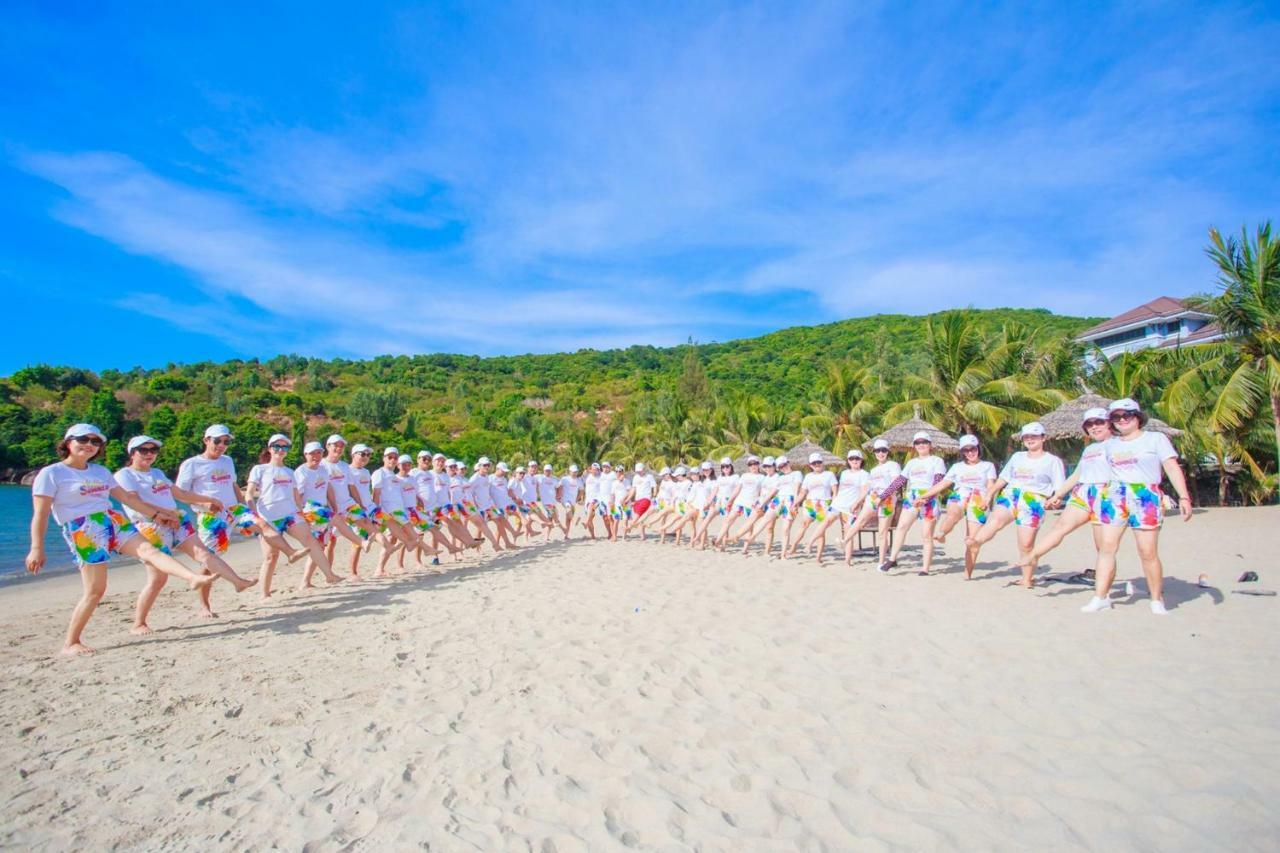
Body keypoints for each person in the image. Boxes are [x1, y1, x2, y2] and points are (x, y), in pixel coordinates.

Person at [26, 424, 217, 655]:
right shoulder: (52, 473)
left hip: (111, 519)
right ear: (68, 442)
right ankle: (71, 642)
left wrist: (156, 515)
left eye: (95, 442)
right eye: (83, 439)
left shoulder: (100, 472)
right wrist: (37, 548)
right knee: (96, 590)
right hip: (83, 528)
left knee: (151, 551)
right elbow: (41, 514)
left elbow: (126, 498)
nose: (89, 445)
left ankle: (192, 578)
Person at [114, 434, 257, 630]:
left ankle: (237, 581)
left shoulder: (156, 473)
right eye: (143, 450)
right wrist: (161, 514)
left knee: (204, 553)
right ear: (132, 453)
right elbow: (134, 502)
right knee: (158, 579)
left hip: (177, 519)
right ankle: (139, 623)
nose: (149, 454)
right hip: (151, 525)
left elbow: (180, 494)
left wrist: (206, 499)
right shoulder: (125, 475)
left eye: (153, 451)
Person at [1079, 398, 1193, 615]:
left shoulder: (1155, 439)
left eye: (1126, 415)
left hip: (1145, 495)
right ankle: (1100, 597)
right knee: (1106, 548)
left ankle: (1156, 599)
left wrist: (1184, 497)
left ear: (1138, 417)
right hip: (1114, 494)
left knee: (1147, 551)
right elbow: (1090, 467)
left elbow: (1170, 466)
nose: (1121, 420)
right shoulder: (1110, 444)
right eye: (1115, 417)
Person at [1015, 409, 1120, 587]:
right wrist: (1058, 495)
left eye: (1099, 422)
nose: (1094, 427)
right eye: (1089, 424)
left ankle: (1103, 590)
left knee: (1103, 547)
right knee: (1060, 527)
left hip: (1106, 493)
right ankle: (1031, 556)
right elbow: (1077, 474)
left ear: (1109, 423)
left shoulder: (1120, 444)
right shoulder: (1090, 449)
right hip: (1084, 492)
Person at [177, 423, 306, 563]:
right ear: (206, 440)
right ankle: (201, 582)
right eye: (217, 441)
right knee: (212, 560)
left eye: (226, 442)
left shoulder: (227, 461)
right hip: (211, 515)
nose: (222, 445)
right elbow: (180, 494)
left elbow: (233, 485)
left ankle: (290, 552)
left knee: (263, 524)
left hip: (235, 509)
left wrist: (245, 506)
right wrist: (204, 503)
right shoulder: (191, 464)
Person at [247, 435, 344, 596]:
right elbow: (249, 494)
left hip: (290, 514)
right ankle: (265, 594)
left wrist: (302, 514)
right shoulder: (259, 469)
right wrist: (254, 515)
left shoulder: (290, 472)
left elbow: (296, 496)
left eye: (284, 447)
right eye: (277, 446)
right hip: (268, 517)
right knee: (271, 556)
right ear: (270, 448)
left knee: (311, 541)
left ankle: (329, 575)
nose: (280, 450)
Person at [967, 422, 1066, 578]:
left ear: (1043, 438)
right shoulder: (1017, 457)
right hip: (1011, 494)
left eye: (1034, 436)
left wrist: (1056, 498)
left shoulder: (1052, 461)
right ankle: (975, 542)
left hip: (1034, 498)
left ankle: (1027, 579)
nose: (1030, 439)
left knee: (1025, 545)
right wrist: (989, 495)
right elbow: (1003, 479)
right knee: (996, 520)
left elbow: (1059, 487)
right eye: (1026, 437)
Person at [915, 434, 995, 579]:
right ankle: (942, 534)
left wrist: (988, 500)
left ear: (978, 449)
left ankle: (967, 573)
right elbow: (943, 484)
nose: (970, 453)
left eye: (973, 449)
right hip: (960, 494)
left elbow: (991, 485)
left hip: (979, 498)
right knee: (953, 514)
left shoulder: (987, 466)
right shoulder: (957, 467)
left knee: (972, 540)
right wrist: (924, 496)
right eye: (966, 450)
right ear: (962, 452)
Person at [321, 436, 382, 578]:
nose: (338, 448)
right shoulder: (323, 465)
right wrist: (331, 505)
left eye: (341, 446)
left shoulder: (345, 467)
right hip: (331, 508)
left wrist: (360, 504)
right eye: (335, 445)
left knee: (365, 526)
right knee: (330, 542)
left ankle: (355, 569)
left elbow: (351, 487)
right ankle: (329, 574)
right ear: (328, 446)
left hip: (347, 505)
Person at [841, 439, 900, 568]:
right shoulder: (873, 470)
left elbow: (896, 483)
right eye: (878, 451)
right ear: (874, 453)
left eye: (883, 450)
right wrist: (858, 502)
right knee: (859, 521)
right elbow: (867, 488)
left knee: (882, 531)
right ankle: (844, 541)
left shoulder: (893, 465)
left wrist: (883, 497)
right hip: (873, 497)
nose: (880, 453)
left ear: (887, 452)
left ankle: (881, 562)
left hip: (888, 499)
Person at [808, 450, 869, 565]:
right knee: (826, 522)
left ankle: (847, 560)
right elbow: (841, 489)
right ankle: (810, 544)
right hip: (838, 503)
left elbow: (864, 491)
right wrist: (834, 500)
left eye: (857, 459)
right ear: (848, 461)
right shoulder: (845, 473)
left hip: (851, 507)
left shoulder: (864, 474)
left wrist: (857, 503)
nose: (854, 461)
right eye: (851, 459)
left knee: (848, 530)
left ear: (861, 460)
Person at [740, 457, 800, 558]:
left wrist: (796, 504)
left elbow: (797, 489)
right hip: (778, 500)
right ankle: (752, 538)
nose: (783, 468)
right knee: (764, 519)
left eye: (784, 465)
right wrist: (761, 503)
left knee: (785, 529)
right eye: (780, 467)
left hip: (790, 501)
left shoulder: (797, 473)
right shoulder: (779, 477)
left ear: (788, 463)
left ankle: (783, 555)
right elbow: (772, 491)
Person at [783, 453, 837, 558]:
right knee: (803, 526)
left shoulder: (829, 474)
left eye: (819, 462)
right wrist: (795, 503)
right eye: (814, 463)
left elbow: (835, 491)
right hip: (810, 503)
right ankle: (793, 547)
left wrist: (833, 505)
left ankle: (818, 557)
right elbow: (803, 492)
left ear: (822, 463)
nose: (817, 464)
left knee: (821, 530)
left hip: (824, 503)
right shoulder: (808, 476)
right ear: (810, 465)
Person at [622, 462, 657, 540]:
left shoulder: (649, 476)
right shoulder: (635, 477)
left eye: (640, 471)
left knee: (637, 516)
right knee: (639, 517)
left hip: (646, 498)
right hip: (637, 499)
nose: (639, 472)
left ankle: (629, 527)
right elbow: (633, 490)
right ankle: (642, 536)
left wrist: (654, 495)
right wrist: (627, 499)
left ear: (644, 469)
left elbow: (654, 486)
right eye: (637, 471)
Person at [558, 464, 583, 538]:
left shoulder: (579, 480)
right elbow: (558, 486)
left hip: (573, 502)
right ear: (569, 472)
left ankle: (566, 535)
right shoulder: (564, 479)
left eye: (576, 472)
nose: (575, 473)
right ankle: (574, 521)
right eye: (573, 472)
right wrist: (558, 496)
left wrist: (577, 499)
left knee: (568, 518)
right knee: (568, 508)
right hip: (565, 499)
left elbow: (581, 491)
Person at [582, 462, 605, 540]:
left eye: (597, 469)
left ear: (599, 470)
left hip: (597, 498)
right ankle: (593, 536)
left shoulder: (601, 476)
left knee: (592, 505)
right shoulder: (587, 476)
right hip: (588, 499)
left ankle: (585, 522)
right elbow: (579, 477)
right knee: (590, 518)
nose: (595, 471)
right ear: (591, 469)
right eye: (593, 469)